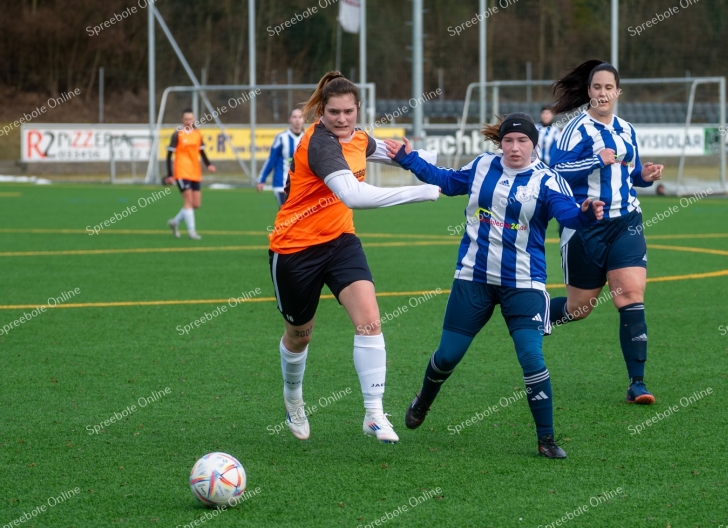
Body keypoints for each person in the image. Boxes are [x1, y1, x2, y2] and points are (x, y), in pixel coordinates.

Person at [385, 112, 605, 459]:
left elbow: (567, 215)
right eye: (508, 140)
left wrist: (586, 212)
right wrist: (408, 159)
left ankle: (546, 439)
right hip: (474, 277)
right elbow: (447, 181)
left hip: (524, 283)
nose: (515, 148)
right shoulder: (482, 166)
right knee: (447, 356)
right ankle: (423, 400)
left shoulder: (548, 181)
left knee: (531, 357)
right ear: (499, 142)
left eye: (522, 141)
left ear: (533, 145)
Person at [268, 71, 441, 444]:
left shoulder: (359, 137)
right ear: (322, 111)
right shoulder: (320, 143)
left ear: (358, 109)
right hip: (295, 248)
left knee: (370, 321)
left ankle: (374, 414)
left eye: (348, 111)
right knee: (300, 337)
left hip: (341, 242)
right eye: (334, 112)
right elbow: (355, 196)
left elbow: (393, 153)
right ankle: (293, 396)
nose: (342, 118)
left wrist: (430, 162)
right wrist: (420, 191)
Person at [548, 60, 664, 405]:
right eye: (596, 87)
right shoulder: (574, 129)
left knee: (629, 293)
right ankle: (530, 313)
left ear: (618, 92)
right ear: (588, 92)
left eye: (608, 88)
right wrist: (595, 160)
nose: (602, 93)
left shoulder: (627, 129)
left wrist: (645, 174)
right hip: (586, 226)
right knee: (579, 309)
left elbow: (630, 175)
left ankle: (637, 383)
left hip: (626, 221)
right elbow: (555, 172)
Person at [166, 109, 216, 240]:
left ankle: (175, 222)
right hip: (181, 171)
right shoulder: (177, 134)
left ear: (193, 120)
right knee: (188, 201)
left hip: (195, 171)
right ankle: (192, 232)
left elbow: (202, 152)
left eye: (190, 119)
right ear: (182, 120)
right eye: (186, 119)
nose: (188, 121)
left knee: (196, 204)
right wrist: (169, 175)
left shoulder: (197, 134)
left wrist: (209, 164)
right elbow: (168, 155)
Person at [256, 108, 304, 207]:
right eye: (294, 117)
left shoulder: (307, 138)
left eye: (300, 117)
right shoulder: (282, 137)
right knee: (285, 213)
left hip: (301, 184)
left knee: (299, 216)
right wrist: (262, 179)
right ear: (289, 119)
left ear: (304, 119)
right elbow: (271, 160)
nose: (297, 120)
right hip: (281, 183)